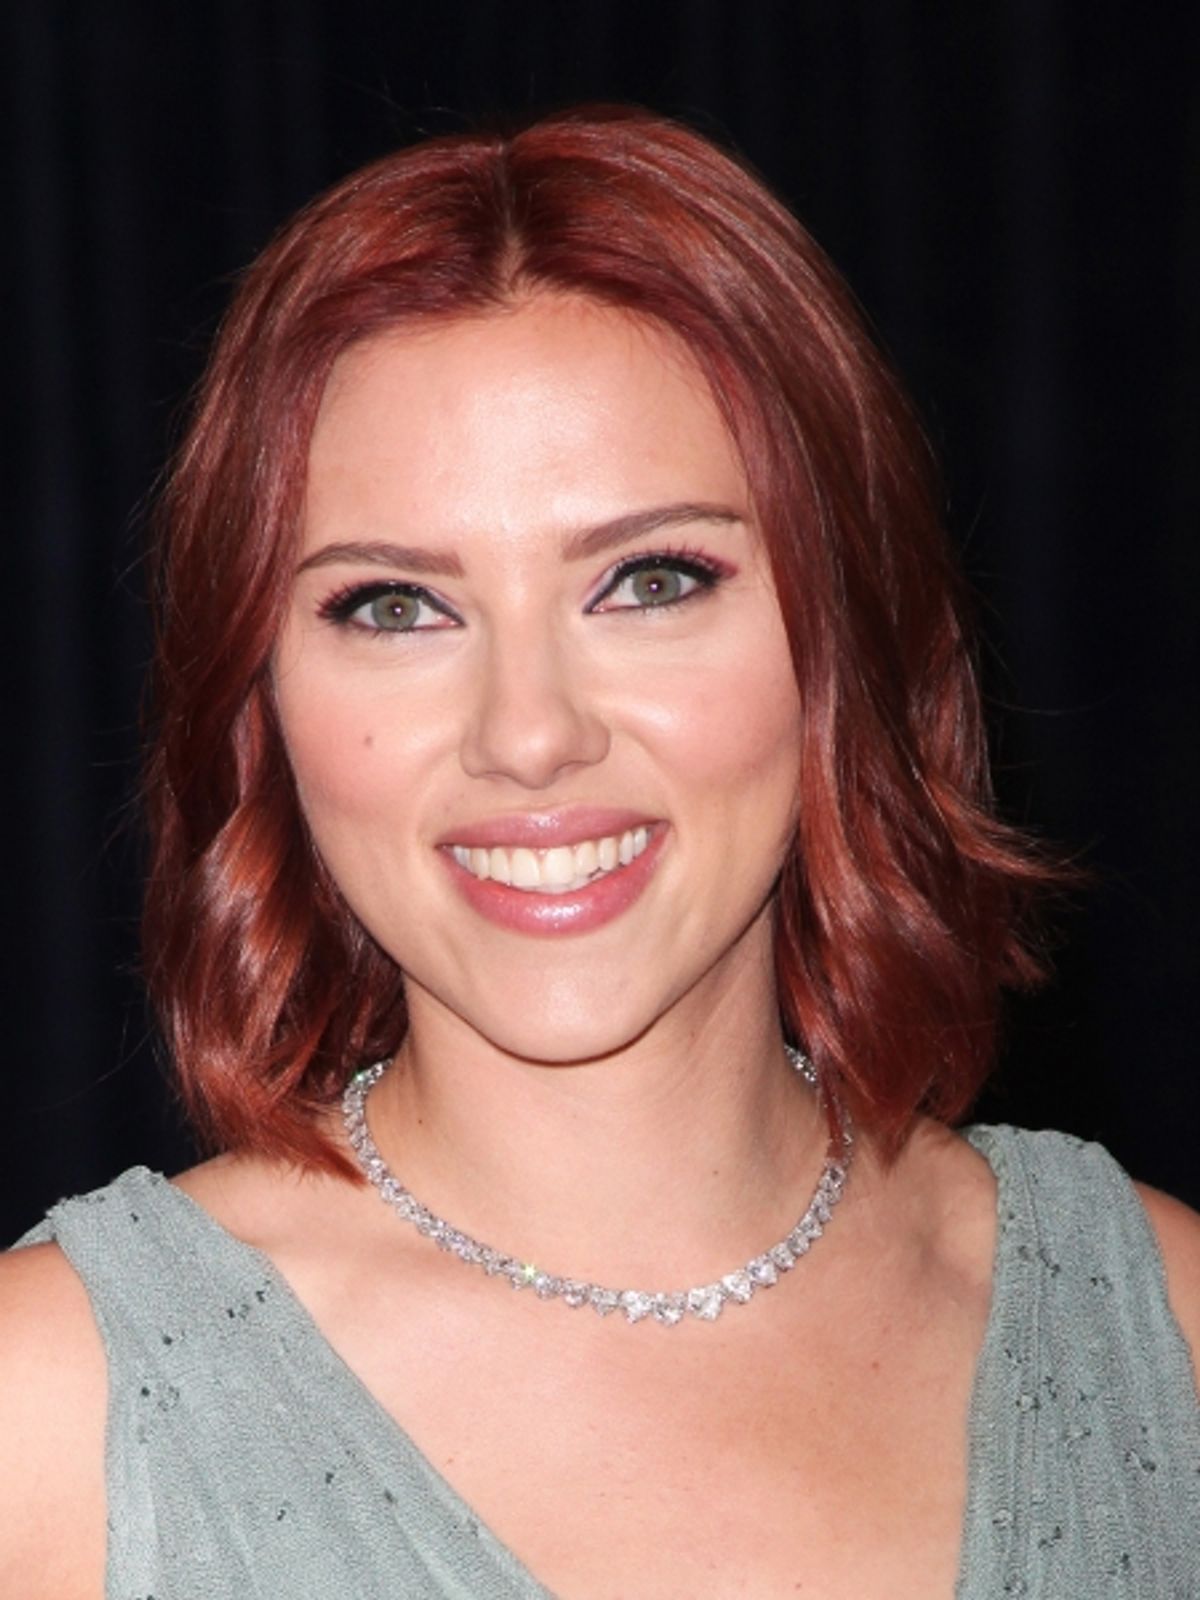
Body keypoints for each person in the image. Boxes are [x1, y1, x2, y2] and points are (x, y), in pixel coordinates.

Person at [1, 105, 1197, 1599]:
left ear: (852, 637)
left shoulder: (1162, 1330)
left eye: (649, 579)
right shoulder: (50, 1416)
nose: (528, 733)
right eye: (392, 605)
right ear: (258, 704)